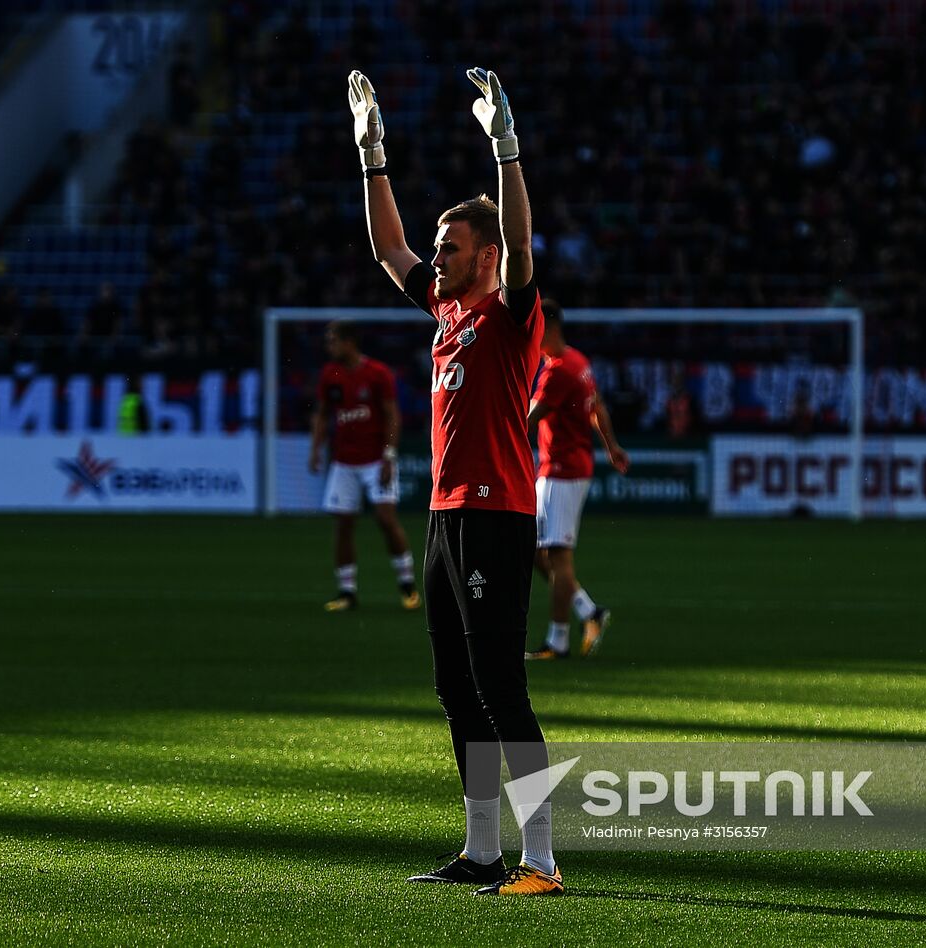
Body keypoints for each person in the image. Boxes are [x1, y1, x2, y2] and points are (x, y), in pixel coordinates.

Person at [350, 67, 561, 895]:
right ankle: (482, 850)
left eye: (450, 247)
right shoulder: (446, 313)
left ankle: (541, 858)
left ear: (485, 256)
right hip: (442, 515)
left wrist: (506, 148)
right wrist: (373, 157)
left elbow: (519, 240)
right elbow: (385, 249)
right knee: (455, 689)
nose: (434, 257)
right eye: (438, 247)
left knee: (502, 686)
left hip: (497, 515)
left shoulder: (510, 310)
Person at [523, 299, 630, 660]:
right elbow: (597, 408)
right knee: (533, 551)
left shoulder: (558, 373)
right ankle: (588, 610)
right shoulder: (578, 362)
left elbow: (528, 420)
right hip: (560, 471)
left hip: (562, 474)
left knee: (559, 557)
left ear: (547, 327)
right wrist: (612, 446)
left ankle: (558, 641)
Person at [308, 320, 419, 612]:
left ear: (349, 342)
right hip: (344, 461)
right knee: (343, 524)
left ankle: (407, 584)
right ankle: (347, 591)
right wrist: (316, 449)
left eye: (333, 340)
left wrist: (389, 456)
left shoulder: (377, 373)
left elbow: (392, 416)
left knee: (385, 518)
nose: (329, 346)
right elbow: (322, 415)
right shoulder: (329, 375)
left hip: (375, 460)